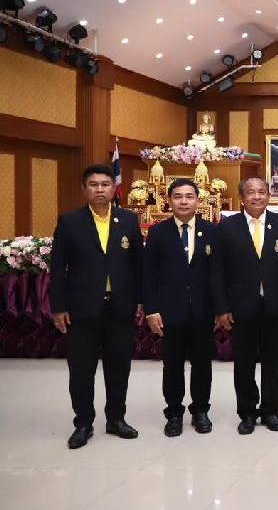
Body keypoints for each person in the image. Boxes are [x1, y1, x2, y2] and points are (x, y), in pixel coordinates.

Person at [50, 164, 144, 449]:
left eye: (105, 184)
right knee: (81, 369)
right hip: (81, 310)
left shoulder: (128, 220)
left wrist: (140, 302)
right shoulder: (70, 222)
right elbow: (57, 269)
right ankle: (83, 423)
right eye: (94, 184)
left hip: (120, 308)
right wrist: (58, 307)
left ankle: (116, 418)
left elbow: (138, 265)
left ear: (114, 188)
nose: (100, 189)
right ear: (84, 189)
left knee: (119, 368)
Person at [211, 177, 278, 435]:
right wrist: (221, 308)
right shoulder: (227, 228)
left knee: (274, 361)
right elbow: (217, 272)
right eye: (251, 193)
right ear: (242, 198)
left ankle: (271, 410)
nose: (257, 197)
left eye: (262, 192)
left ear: (269, 196)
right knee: (244, 362)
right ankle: (247, 412)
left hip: (275, 306)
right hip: (241, 307)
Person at [143, 178, 219, 437]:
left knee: (202, 364)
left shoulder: (212, 231)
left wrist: (220, 309)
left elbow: (218, 275)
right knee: (172, 365)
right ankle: (174, 412)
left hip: (203, 311)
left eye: (189, 196)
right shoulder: (157, 233)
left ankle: (200, 410)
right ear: (169, 201)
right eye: (178, 197)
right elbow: (148, 276)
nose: (184, 201)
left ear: (198, 201)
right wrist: (152, 310)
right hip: (169, 313)